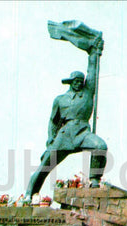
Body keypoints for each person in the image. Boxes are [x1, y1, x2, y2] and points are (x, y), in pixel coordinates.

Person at [25, 37, 107, 198]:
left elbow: (92, 70)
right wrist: (50, 139)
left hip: (82, 132)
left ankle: (95, 179)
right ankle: (30, 193)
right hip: (64, 135)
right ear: (70, 82)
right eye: (75, 81)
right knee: (45, 165)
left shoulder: (88, 92)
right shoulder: (60, 99)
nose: (78, 83)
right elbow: (53, 121)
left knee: (100, 146)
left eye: (80, 81)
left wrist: (94, 52)